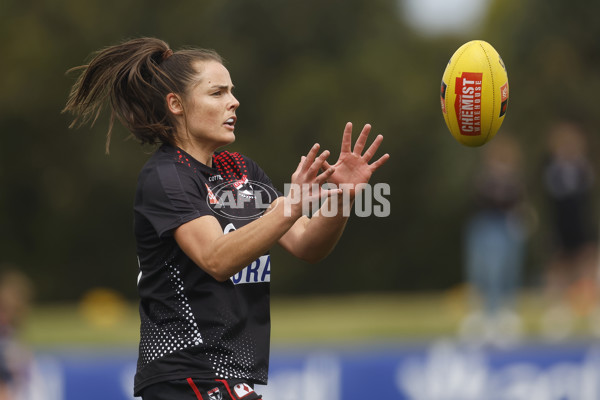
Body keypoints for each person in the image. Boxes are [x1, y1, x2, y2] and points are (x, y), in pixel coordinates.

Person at [63, 37, 389, 399]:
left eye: (231, 92)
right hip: (187, 373)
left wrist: (341, 199)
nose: (233, 101)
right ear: (176, 105)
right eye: (217, 93)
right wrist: (290, 206)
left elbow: (307, 244)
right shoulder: (166, 176)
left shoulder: (241, 170)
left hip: (223, 374)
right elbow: (216, 259)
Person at [459, 135, 528, 347]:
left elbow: (513, 203)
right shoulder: (485, 178)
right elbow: (481, 199)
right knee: (480, 270)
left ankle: (502, 317)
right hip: (484, 226)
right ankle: (481, 316)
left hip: (504, 228)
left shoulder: (513, 181)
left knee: (503, 271)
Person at [541, 122, 598, 339]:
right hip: (560, 225)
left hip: (582, 225)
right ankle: (557, 314)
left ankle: (592, 311)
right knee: (559, 270)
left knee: (586, 268)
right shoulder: (550, 168)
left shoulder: (583, 168)